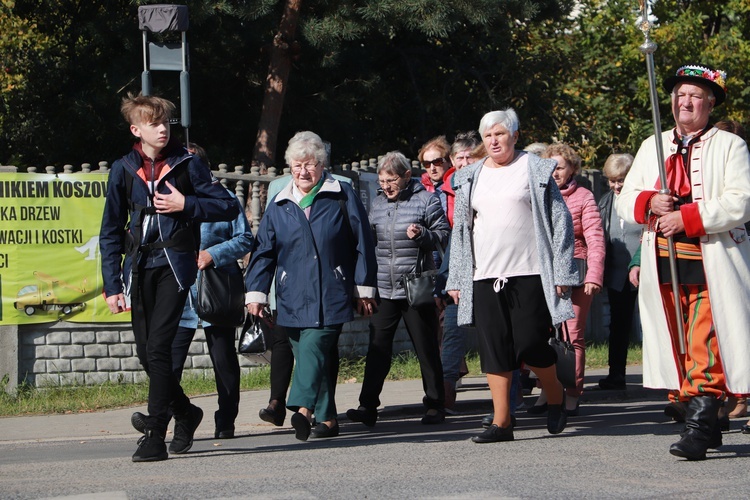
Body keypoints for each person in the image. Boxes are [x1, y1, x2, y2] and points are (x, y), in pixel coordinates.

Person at [615, 64, 750, 460]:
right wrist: (649, 202)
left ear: (710, 103)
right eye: (679, 96)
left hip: (713, 259)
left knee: (706, 338)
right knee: (677, 339)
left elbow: (740, 201)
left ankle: (699, 427)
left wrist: (687, 217)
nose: (684, 102)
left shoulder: (730, 146)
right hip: (663, 260)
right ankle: (706, 424)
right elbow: (626, 200)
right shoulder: (650, 145)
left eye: (694, 96)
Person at [99, 94, 239, 462]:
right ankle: (187, 412)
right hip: (139, 267)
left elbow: (228, 206)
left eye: (166, 123)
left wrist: (186, 205)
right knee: (148, 355)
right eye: (154, 124)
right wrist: (112, 284)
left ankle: (155, 434)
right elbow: (110, 230)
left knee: (159, 348)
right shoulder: (123, 169)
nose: (162, 129)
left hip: (175, 267)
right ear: (137, 129)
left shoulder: (187, 164)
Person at [446, 108, 578, 443]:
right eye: (488, 135)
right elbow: (461, 230)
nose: (494, 140)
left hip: (531, 271)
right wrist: (458, 278)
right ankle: (502, 422)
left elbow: (560, 221)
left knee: (531, 343)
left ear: (515, 136)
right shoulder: (470, 176)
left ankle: (554, 394)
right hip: (485, 273)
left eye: (500, 133)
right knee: (495, 348)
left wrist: (563, 269)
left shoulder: (534, 169)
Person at [245, 131, 378, 441]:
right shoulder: (279, 202)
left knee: (314, 350)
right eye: (296, 165)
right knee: (308, 354)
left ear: (322, 165)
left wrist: (363, 286)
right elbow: (264, 250)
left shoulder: (341, 193)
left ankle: (303, 409)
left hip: (332, 290)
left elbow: (363, 243)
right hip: (291, 295)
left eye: (309, 165)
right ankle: (329, 419)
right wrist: (257, 292)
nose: (303, 172)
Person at [347, 151, 450, 427]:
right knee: (377, 348)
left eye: (391, 180)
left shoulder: (426, 200)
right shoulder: (378, 205)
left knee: (426, 348)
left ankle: (435, 404)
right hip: (384, 289)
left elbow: (443, 235)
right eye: (382, 180)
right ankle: (367, 406)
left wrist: (423, 234)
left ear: (406, 176)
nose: (386, 186)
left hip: (415, 288)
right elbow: (368, 245)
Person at [169, 143, 253, 439]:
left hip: (216, 291)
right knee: (168, 362)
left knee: (223, 359)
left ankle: (226, 421)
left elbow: (245, 239)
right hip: (180, 294)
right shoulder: (170, 198)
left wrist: (213, 254)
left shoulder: (225, 198)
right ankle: (167, 421)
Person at [528, 143, 604, 416]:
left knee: (572, 337)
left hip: (578, 274)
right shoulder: (537, 194)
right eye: (550, 167)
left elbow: (595, 238)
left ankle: (572, 393)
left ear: (572, 168)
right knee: (542, 336)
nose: (555, 172)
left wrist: (594, 275)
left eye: (560, 167)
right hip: (542, 275)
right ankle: (548, 391)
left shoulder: (584, 196)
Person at [435, 131, 482, 410]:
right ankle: (446, 391)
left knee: (496, 333)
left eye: (470, 156)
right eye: (460, 157)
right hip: (457, 266)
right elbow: (454, 235)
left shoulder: (488, 184)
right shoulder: (446, 189)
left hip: (491, 264)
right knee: (452, 328)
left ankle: (512, 397)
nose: (464, 162)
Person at [597, 153, 641, 391]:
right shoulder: (605, 202)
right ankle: (616, 375)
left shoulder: (643, 200)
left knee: (655, 324)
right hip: (617, 274)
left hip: (646, 271)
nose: (616, 185)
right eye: (612, 180)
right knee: (618, 325)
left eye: (621, 179)